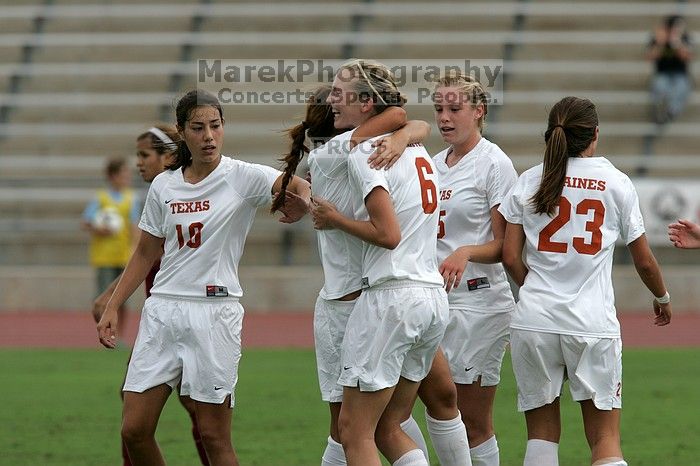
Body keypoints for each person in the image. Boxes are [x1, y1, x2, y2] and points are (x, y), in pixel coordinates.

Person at [96, 89, 311, 466]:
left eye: (215, 126)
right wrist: (114, 304)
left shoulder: (242, 176)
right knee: (134, 430)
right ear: (183, 132)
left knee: (213, 436)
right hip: (162, 312)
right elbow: (146, 251)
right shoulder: (165, 185)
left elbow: (299, 186)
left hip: (214, 315)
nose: (209, 136)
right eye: (198, 128)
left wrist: (301, 205)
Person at [274, 84, 461, 466]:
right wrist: (406, 133)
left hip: (361, 303)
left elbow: (400, 119)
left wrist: (303, 196)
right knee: (384, 426)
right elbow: (404, 118)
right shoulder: (371, 153)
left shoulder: (347, 155)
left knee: (351, 430)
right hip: (406, 294)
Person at [499, 96, 672, 466]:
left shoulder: (530, 178)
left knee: (541, 438)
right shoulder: (616, 182)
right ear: (595, 134)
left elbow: (510, 256)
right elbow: (644, 261)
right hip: (591, 324)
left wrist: (535, 288)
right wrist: (662, 296)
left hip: (534, 320)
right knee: (605, 439)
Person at [91, 124, 211, 466]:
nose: (139, 163)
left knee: (205, 420)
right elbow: (147, 254)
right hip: (164, 320)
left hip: (187, 317)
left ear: (169, 156)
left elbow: (152, 253)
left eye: (145, 155)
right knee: (149, 413)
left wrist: (111, 297)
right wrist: (112, 296)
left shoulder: (179, 194)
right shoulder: (162, 192)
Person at [421, 71, 517, 466]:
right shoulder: (429, 163)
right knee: (430, 409)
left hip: (480, 304)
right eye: (439, 108)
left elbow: (506, 246)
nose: (444, 117)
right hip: (432, 301)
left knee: (472, 419)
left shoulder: (494, 163)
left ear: (478, 111)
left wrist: (465, 252)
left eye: (454, 108)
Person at [82, 156, 140, 337]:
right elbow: (86, 222)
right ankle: (103, 331)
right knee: (103, 297)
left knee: (122, 299)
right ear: (113, 176)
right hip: (104, 257)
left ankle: (119, 334)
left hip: (124, 256)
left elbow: (134, 227)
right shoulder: (101, 198)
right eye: (123, 173)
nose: (127, 177)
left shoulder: (132, 198)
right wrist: (100, 228)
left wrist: (134, 249)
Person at [647, 15, 693, 125]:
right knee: (659, 86)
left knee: (681, 87)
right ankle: (660, 110)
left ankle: (671, 111)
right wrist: (660, 43)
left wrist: (677, 43)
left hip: (680, 74)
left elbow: (687, 57)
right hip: (662, 73)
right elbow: (650, 57)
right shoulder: (658, 38)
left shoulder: (685, 38)